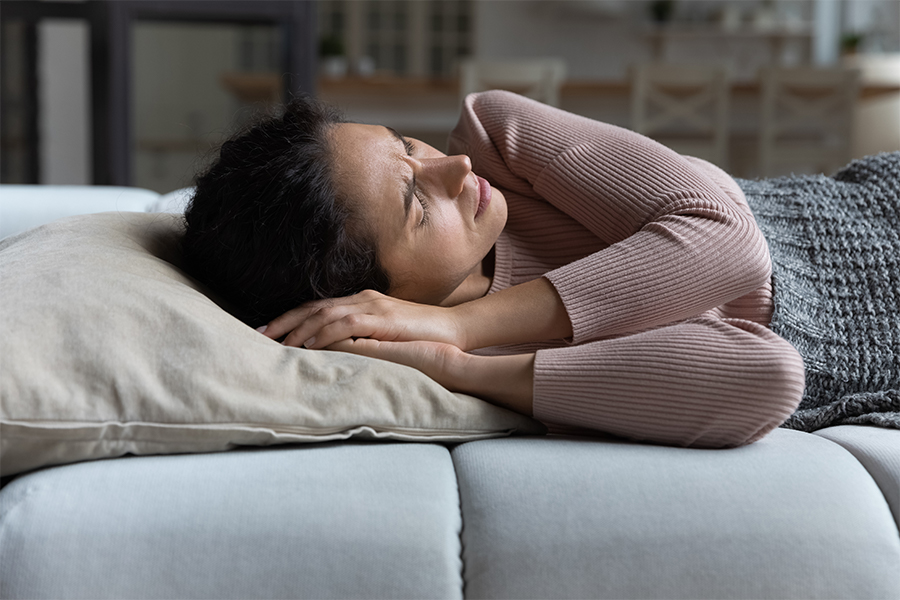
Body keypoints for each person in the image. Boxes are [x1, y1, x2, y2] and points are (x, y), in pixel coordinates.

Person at [183, 90, 807, 449]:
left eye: (407, 145)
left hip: (833, 222)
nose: (453, 170)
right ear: (371, 297)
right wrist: (458, 366)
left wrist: (463, 328)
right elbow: (769, 373)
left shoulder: (497, 134)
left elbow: (730, 241)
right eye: (417, 205)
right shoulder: (479, 370)